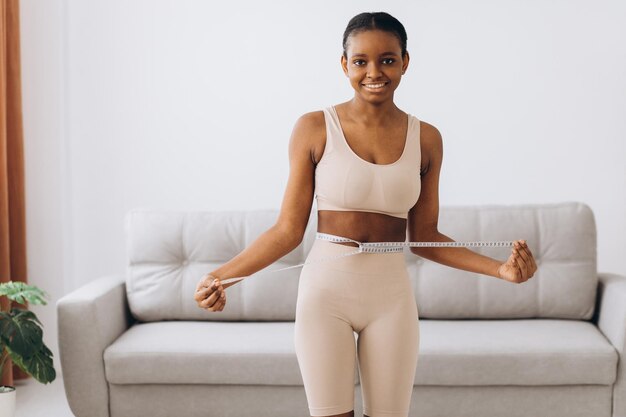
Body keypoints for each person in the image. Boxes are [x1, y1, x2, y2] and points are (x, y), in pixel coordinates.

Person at [193, 11, 537, 417]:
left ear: (405, 62)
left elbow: (426, 237)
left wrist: (500, 271)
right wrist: (222, 277)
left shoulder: (427, 138)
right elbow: (287, 230)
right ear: (345, 65)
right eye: (360, 61)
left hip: (390, 298)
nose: (374, 72)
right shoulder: (314, 128)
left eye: (388, 60)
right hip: (325, 295)